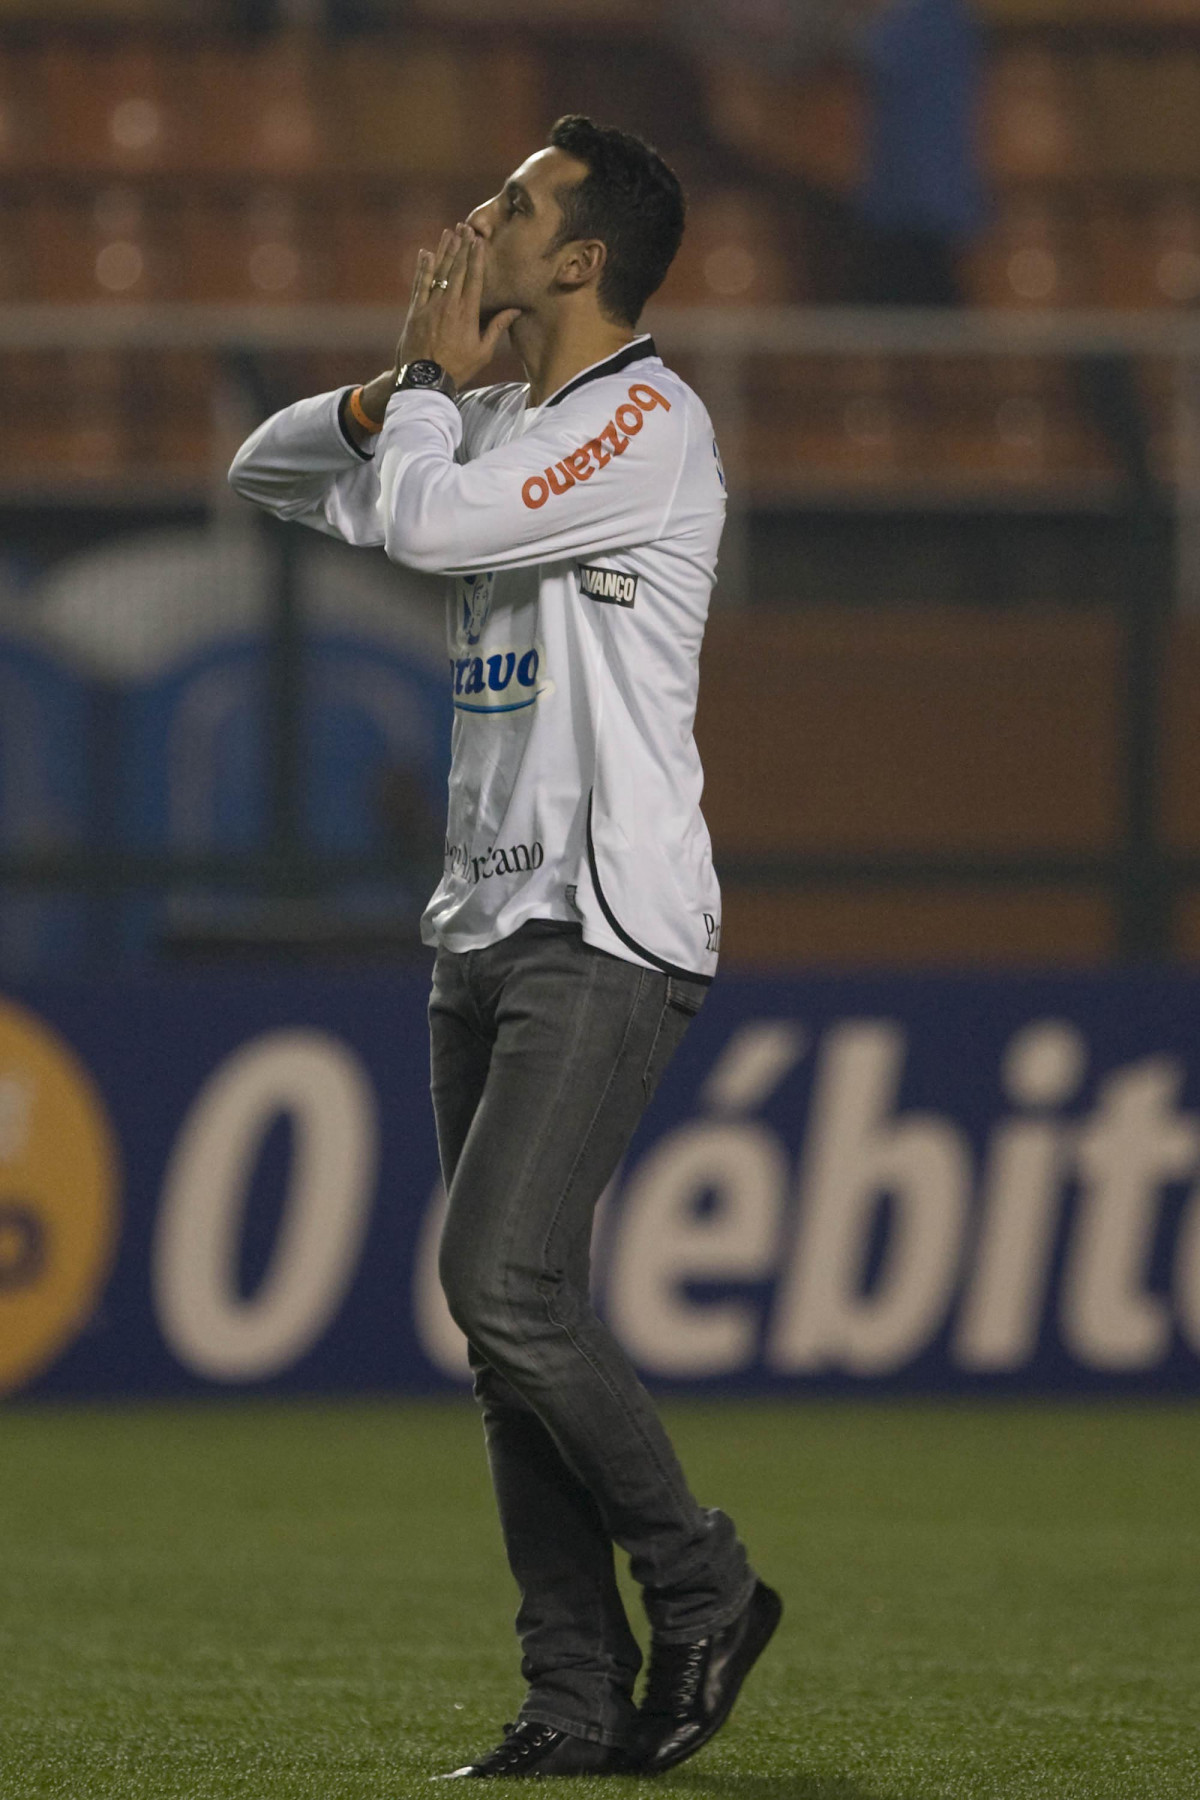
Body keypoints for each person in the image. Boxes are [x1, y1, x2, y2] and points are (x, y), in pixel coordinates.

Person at [228, 114, 780, 1780]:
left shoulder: (646, 427)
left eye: (515, 204)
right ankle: (567, 1700)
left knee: (504, 1285)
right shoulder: (481, 427)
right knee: (505, 1341)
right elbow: (265, 469)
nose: (479, 223)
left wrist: (416, 391)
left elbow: (428, 537)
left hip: (603, 924)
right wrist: (392, 398)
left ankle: (704, 1588)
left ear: (581, 260)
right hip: (482, 918)